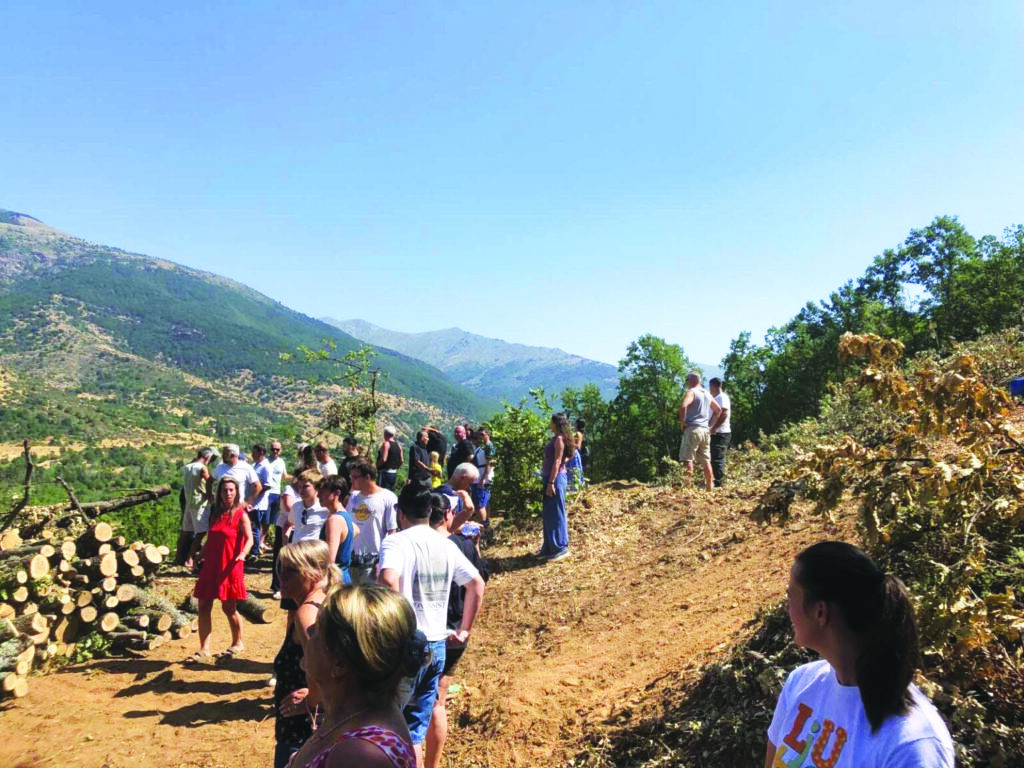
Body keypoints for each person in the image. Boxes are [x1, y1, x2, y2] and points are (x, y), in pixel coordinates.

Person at [765, 541, 954, 768]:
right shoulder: (801, 684)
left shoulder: (913, 747)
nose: (788, 608)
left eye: (790, 596)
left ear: (820, 612)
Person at [379, 485, 486, 768]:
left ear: (400, 513)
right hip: (437, 645)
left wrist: (398, 623)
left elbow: (388, 579)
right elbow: (476, 584)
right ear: (430, 511)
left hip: (405, 644)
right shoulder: (446, 544)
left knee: (392, 724)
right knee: (414, 731)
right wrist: (465, 630)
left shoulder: (395, 542)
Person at [289, 584, 422, 768]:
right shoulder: (357, 714)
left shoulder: (359, 755)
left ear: (339, 663)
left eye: (318, 629)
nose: (309, 631)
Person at [424, 493, 489, 768]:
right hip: (455, 630)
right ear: (448, 515)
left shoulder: (416, 545)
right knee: (437, 703)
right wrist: (465, 628)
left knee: (413, 706)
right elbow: (481, 580)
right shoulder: (462, 545)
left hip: (424, 631)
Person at [273, 540, 342, 768]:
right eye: (281, 568)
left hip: (301, 729)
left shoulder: (306, 614)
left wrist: (312, 699)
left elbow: (321, 666)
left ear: (314, 573)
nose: (282, 576)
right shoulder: (329, 600)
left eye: (291, 571)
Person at [187, 476, 253, 663]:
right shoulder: (215, 513)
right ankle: (204, 649)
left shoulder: (241, 514)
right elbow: (210, 540)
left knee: (228, 607)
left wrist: (243, 554)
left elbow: (250, 538)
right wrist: (198, 557)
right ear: (219, 492)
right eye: (224, 490)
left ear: (236, 492)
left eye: (231, 490)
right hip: (211, 566)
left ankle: (238, 642)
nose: (228, 493)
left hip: (230, 566)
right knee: (203, 606)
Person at [345, 459, 399, 585]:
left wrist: (383, 561)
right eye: (350, 477)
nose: (351, 480)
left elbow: (392, 532)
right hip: (351, 561)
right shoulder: (354, 497)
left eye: (354, 477)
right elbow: (347, 525)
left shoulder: (388, 497)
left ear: (367, 477)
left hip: (373, 562)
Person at [538, 413, 574, 562]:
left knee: (556, 513)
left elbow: (558, 460)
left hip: (555, 479)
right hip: (550, 477)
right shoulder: (557, 438)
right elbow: (567, 456)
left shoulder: (559, 439)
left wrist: (551, 482)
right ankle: (549, 547)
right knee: (548, 513)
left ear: (555, 423)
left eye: (551, 421)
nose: (549, 423)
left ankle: (560, 547)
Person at [678, 373, 722, 492]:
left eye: (687, 380)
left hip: (693, 429)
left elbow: (683, 406)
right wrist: (710, 425)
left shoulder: (691, 392)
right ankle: (709, 488)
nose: (686, 382)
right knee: (706, 461)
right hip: (705, 431)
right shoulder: (707, 393)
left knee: (687, 459)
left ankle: (687, 489)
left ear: (692, 380)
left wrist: (683, 423)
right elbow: (718, 410)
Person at [175, 447, 215, 566]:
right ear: (207, 457)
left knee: (186, 531)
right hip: (199, 504)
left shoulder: (187, 467)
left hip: (189, 503)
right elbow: (209, 482)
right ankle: (190, 558)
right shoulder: (202, 468)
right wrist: (210, 495)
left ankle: (178, 557)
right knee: (201, 532)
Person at [318, 474, 357, 584]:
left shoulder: (334, 520)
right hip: (343, 576)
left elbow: (329, 560)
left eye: (322, 492)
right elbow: (357, 530)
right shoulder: (344, 515)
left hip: (335, 580)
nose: (318, 496)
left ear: (337, 493)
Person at [212, 443, 264, 508]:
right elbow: (209, 480)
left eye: (225, 454)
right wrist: (209, 495)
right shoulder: (220, 467)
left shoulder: (245, 467)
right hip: (220, 506)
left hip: (237, 506)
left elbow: (258, 487)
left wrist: (247, 502)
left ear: (232, 455)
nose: (222, 456)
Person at [436, 463, 478, 532]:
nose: (469, 488)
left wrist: (466, 523)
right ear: (462, 478)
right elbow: (446, 526)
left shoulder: (439, 491)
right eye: (469, 483)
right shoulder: (450, 496)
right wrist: (468, 528)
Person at [289, 469, 328, 542]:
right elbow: (289, 523)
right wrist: (285, 541)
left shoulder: (325, 509)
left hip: (313, 548)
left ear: (316, 487)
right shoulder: (296, 506)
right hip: (296, 547)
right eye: (299, 486)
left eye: (305, 486)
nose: (301, 489)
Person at [249, 444, 273, 561]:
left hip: (258, 503)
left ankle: (255, 552)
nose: (252, 454)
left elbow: (267, 485)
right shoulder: (255, 465)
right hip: (252, 502)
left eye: (254, 452)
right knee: (251, 527)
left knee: (255, 528)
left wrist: (255, 494)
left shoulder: (266, 467)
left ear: (261, 453)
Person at [708, 378, 732, 488]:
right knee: (714, 458)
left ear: (713, 386)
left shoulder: (722, 397)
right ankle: (715, 481)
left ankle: (719, 483)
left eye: (710, 387)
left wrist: (714, 427)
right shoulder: (716, 398)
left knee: (717, 458)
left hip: (721, 432)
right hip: (715, 432)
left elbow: (724, 414)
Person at [470, 429, 496, 528]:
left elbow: (490, 463)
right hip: (479, 477)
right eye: (479, 435)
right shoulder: (482, 447)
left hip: (482, 478)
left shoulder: (489, 447)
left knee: (479, 503)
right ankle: (486, 522)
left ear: (488, 435)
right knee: (484, 502)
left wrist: (483, 478)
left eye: (482, 434)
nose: (480, 437)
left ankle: (483, 523)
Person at [266, 439, 289, 552]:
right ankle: (260, 542)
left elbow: (285, 476)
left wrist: (299, 477)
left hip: (276, 493)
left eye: (277, 449)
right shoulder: (265, 461)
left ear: (281, 450)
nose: (275, 451)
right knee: (264, 520)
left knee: (273, 519)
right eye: (273, 449)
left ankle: (264, 542)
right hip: (266, 492)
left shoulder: (281, 462)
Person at [376, 426, 404, 491]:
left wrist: (376, 466)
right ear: (393, 435)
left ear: (385, 434)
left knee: (381, 491)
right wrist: (396, 467)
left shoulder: (386, 444)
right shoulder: (398, 446)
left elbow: (384, 459)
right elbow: (402, 460)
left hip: (384, 473)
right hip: (393, 473)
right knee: (390, 492)